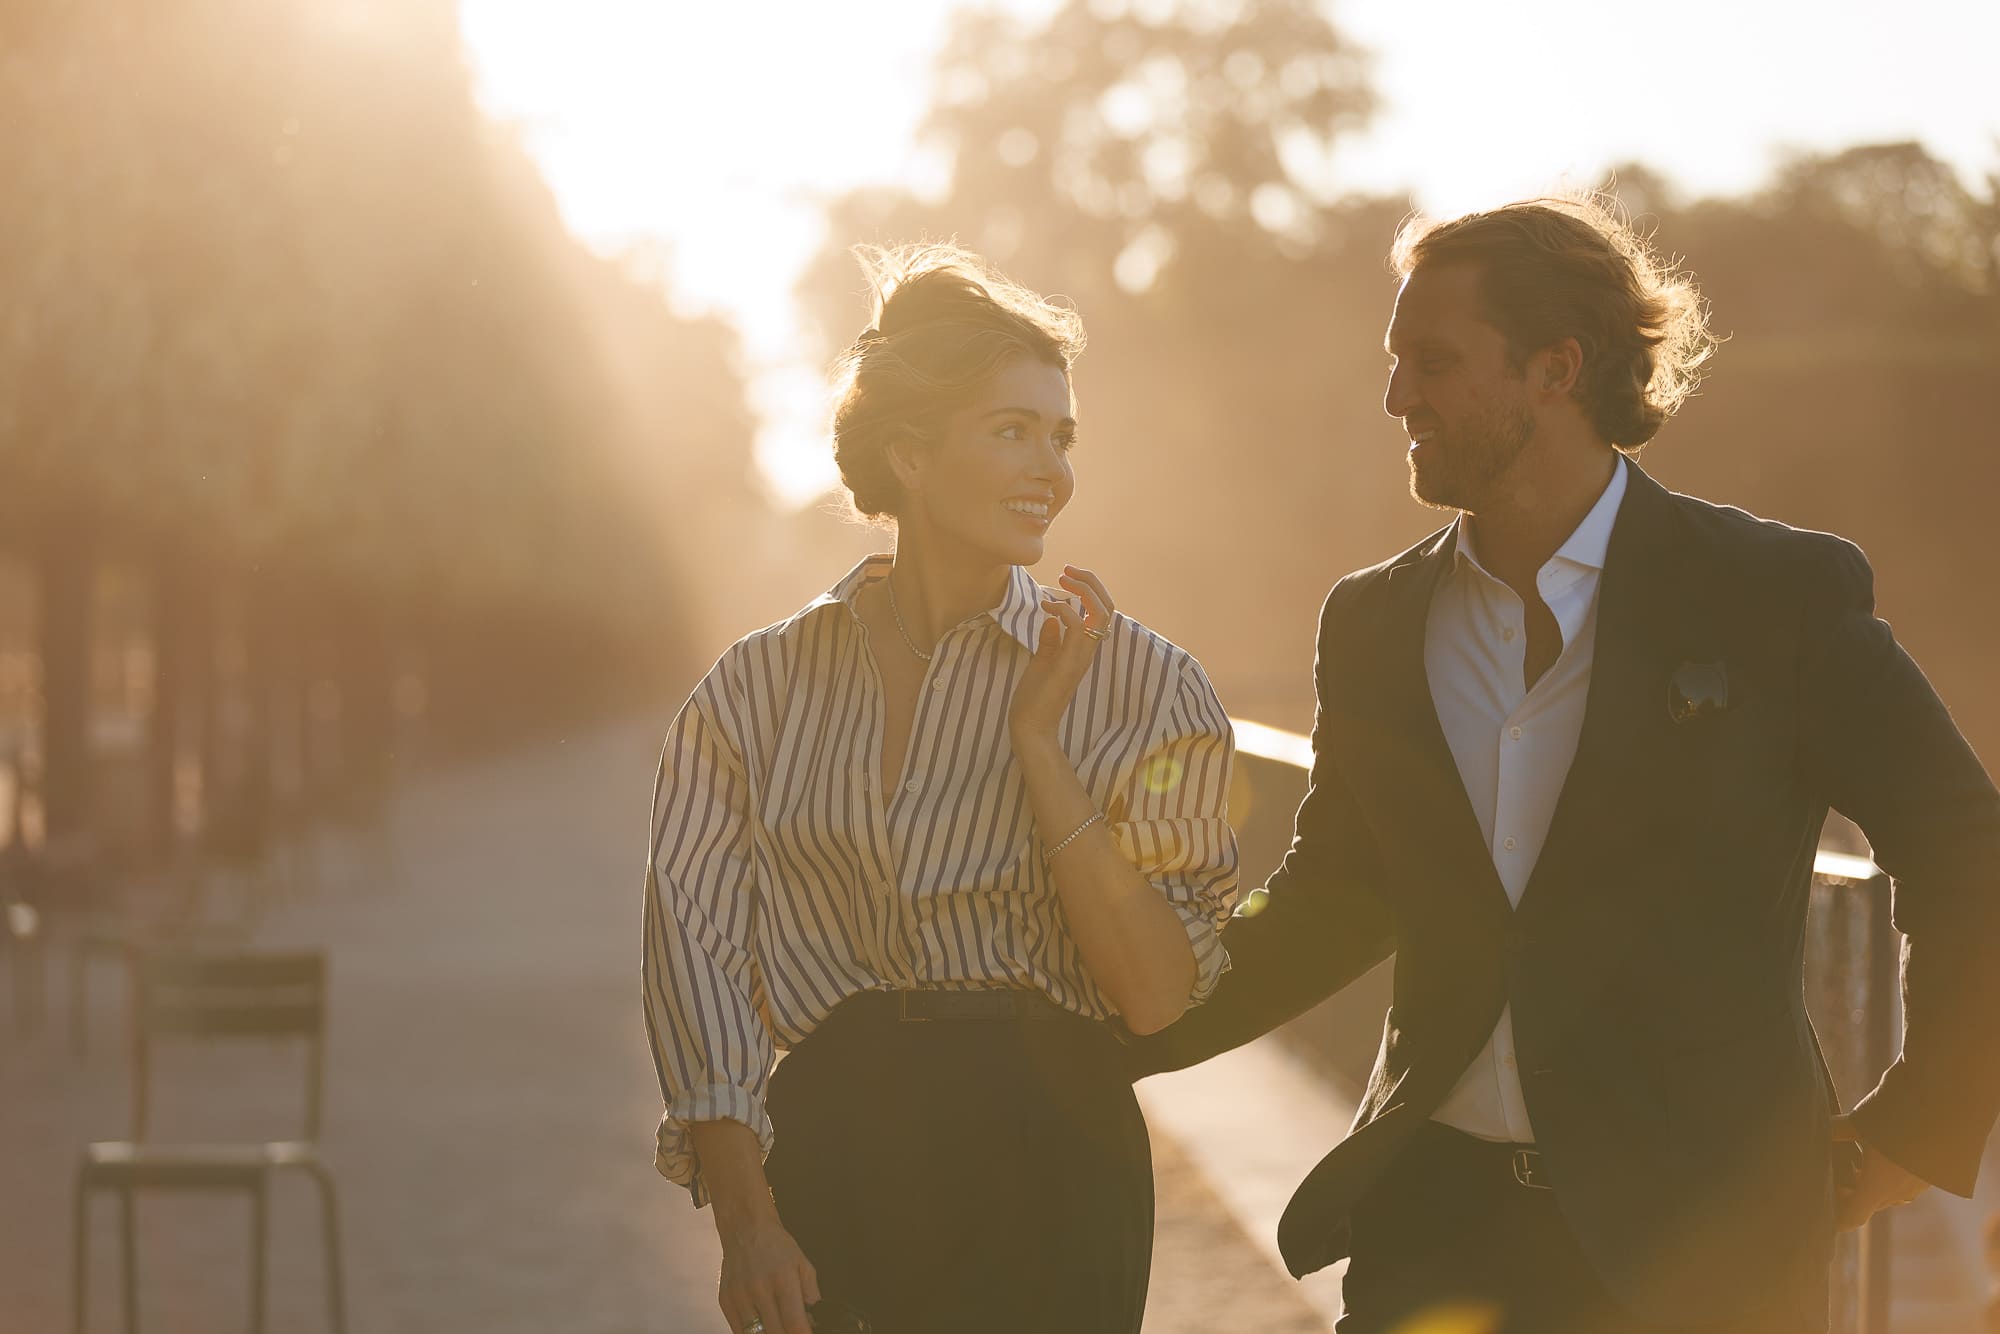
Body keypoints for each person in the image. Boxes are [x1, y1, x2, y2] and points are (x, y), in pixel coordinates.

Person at [1127, 195, 2000, 1333]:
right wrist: (1120, 1027)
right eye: (1395, 361)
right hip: (1433, 1230)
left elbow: (1964, 847)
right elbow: (1332, 896)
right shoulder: (1374, 621)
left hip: (1700, 1249)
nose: (1397, 395)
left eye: (1430, 360)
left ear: (1556, 367)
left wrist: (1913, 1125)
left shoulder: (1769, 597)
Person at [641, 244, 1239, 1334]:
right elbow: (697, 955)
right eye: (1010, 429)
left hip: (1054, 1163)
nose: (1051, 469)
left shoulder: (1142, 683)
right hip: (836, 1157)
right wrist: (746, 1221)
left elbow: (1153, 990)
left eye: (1060, 436)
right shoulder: (753, 692)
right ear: (909, 454)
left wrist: (1038, 748)